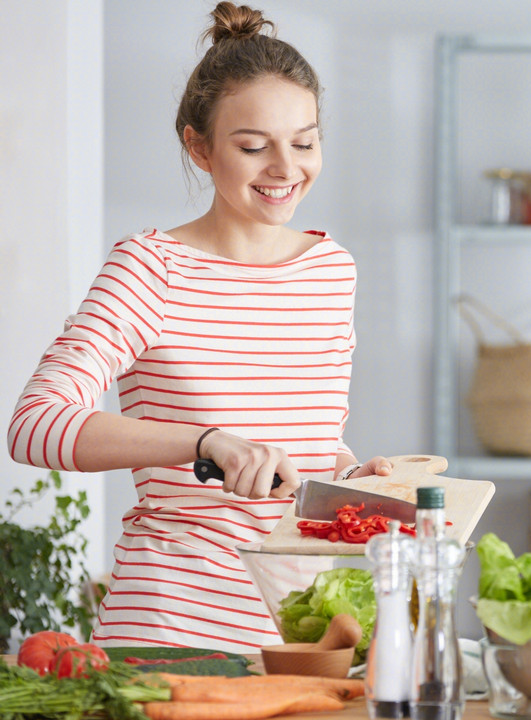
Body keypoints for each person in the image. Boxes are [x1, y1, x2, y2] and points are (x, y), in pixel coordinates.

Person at [7, 2, 390, 651]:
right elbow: (35, 425)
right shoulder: (151, 268)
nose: (286, 168)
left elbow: (308, 439)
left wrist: (349, 482)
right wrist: (206, 442)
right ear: (199, 146)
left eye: (304, 141)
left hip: (302, 634)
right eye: (253, 146)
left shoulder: (331, 270)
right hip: (172, 627)